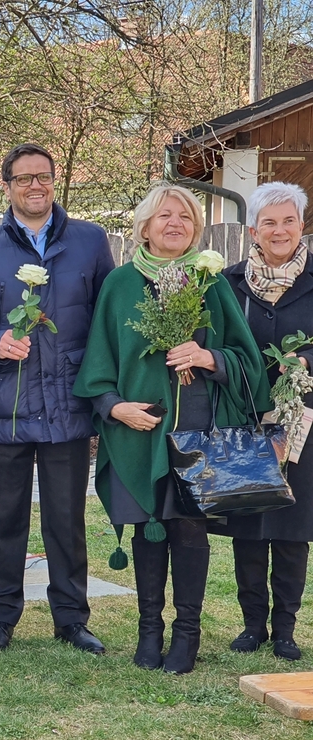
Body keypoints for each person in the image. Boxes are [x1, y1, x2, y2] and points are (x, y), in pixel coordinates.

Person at [74, 183, 269, 674]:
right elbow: (98, 363)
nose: (175, 223)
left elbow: (248, 360)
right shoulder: (120, 285)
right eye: (165, 216)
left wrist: (207, 356)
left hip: (197, 429)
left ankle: (186, 634)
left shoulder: (209, 282)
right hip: (138, 427)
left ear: (196, 228)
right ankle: (149, 631)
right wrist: (115, 408)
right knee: (148, 527)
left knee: (187, 527)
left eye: (185, 216)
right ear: (145, 227)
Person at [0, 143, 114, 655]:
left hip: (67, 405)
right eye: (24, 178)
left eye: (43, 176)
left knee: (66, 520)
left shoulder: (90, 240)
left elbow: (107, 319)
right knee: (3, 520)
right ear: (7, 186)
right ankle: (0, 617)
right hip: (9, 404)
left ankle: (72, 619)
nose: (35, 186)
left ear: (54, 181)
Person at [219, 181, 313, 661]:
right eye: (269, 222)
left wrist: (307, 362)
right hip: (248, 420)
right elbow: (219, 344)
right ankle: (252, 624)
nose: (280, 230)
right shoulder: (229, 283)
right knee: (251, 525)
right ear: (253, 230)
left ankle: (285, 630)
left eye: (288, 220)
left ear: (302, 224)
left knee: (293, 528)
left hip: (303, 423)